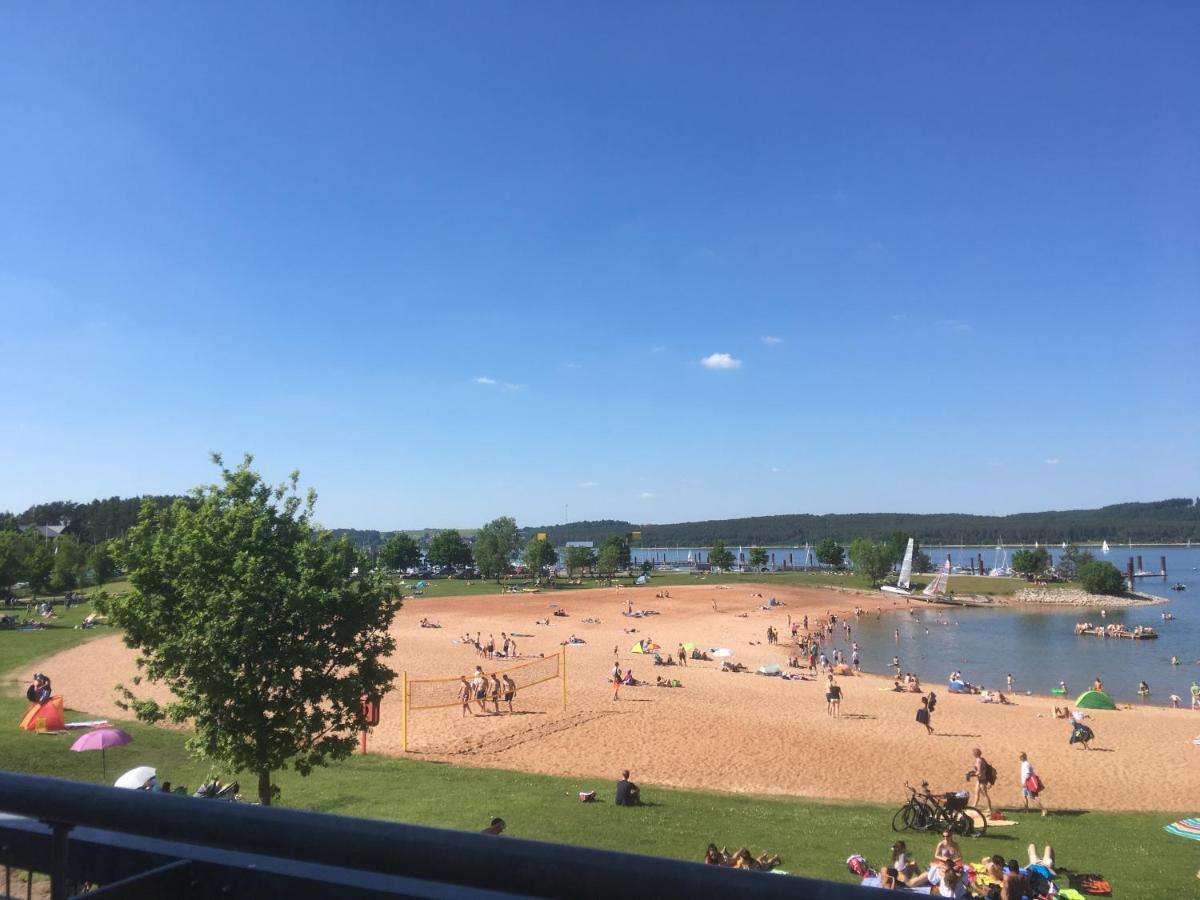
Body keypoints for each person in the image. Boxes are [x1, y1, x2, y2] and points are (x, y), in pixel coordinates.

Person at [1019, 752, 1046, 816]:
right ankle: (1026, 811)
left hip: (1028, 783)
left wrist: (1025, 783)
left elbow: (1027, 774)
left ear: (1023, 757)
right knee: (1023, 796)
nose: (1020, 758)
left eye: (1021, 757)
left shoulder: (1026, 764)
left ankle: (1043, 809)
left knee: (1033, 797)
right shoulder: (1025, 763)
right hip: (1026, 783)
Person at [970, 748, 994, 815]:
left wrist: (972, 775)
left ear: (975, 754)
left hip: (982, 780)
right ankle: (974, 806)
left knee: (985, 794)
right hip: (980, 779)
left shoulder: (978, 761)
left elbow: (979, 772)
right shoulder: (982, 759)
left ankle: (989, 808)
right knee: (976, 792)